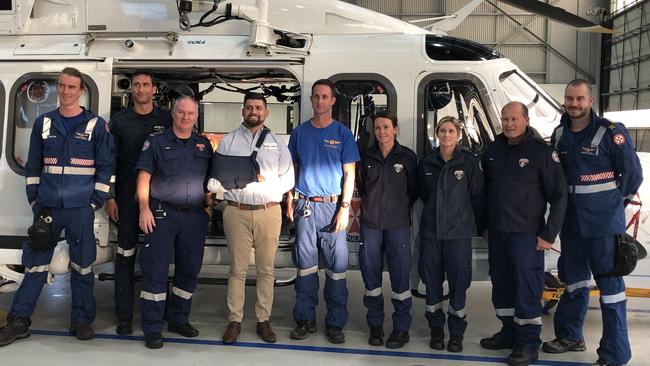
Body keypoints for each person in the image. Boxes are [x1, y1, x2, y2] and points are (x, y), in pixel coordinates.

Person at [0, 67, 114, 346]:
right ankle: (19, 321)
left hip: (80, 209)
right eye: (62, 86)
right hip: (48, 208)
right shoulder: (44, 123)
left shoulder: (96, 126)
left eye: (72, 87)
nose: (66, 91)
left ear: (81, 91)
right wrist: (35, 201)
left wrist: (93, 203)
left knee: (83, 265)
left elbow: (107, 169)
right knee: (35, 265)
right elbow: (33, 166)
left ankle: (82, 320)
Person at [543, 80, 642, 366]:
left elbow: (632, 176)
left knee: (610, 289)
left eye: (580, 99)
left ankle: (615, 353)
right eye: (569, 99)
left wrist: (613, 205)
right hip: (571, 224)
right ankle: (571, 335)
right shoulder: (559, 134)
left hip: (602, 225)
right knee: (573, 282)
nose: (574, 104)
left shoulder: (611, 133)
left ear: (590, 101)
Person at [480, 101, 567, 366]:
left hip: (527, 236)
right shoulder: (492, 151)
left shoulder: (542, 153)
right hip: (497, 234)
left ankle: (528, 343)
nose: (509, 124)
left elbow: (560, 196)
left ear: (526, 120)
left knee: (527, 289)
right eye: (505, 119)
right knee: (502, 286)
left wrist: (549, 234)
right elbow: (483, 193)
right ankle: (508, 332)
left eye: (514, 119)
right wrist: (484, 226)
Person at [208, 92, 294, 344]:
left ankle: (262, 320)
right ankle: (234, 320)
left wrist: (265, 185)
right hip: (237, 212)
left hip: (269, 212)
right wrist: (245, 180)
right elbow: (217, 180)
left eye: (258, 107)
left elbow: (288, 179)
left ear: (266, 113)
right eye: (249, 107)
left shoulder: (277, 144)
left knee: (266, 270)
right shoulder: (228, 142)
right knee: (237, 270)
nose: (253, 111)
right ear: (242, 111)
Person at [135, 96, 213, 349]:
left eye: (191, 113)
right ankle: (153, 327)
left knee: (189, 270)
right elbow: (143, 178)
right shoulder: (156, 143)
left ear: (196, 116)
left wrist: (209, 207)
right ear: (173, 113)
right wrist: (144, 209)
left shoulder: (203, 145)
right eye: (181, 112)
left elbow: (210, 180)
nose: (186, 117)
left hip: (194, 217)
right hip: (161, 215)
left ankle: (179, 318)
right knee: (155, 271)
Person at [286, 78, 360, 344]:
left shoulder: (342, 134)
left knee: (336, 268)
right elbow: (293, 167)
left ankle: (335, 323)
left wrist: (344, 208)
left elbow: (349, 172)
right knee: (305, 267)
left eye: (324, 97)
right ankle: (305, 320)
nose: (319, 101)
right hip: (305, 205)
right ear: (312, 100)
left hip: (332, 207)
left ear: (332, 101)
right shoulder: (300, 133)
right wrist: (290, 198)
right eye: (316, 96)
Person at [106, 70, 172, 335]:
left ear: (154, 89)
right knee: (125, 255)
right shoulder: (119, 121)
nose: (142, 89)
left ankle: (160, 310)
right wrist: (110, 196)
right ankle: (124, 316)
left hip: (159, 197)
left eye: (146, 84)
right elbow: (109, 160)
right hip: (126, 198)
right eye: (137, 85)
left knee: (159, 256)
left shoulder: (167, 119)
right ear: (131, 89)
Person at [417, 116, 483, 353]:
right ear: (437, 133)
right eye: (442, 130)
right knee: (432, 284)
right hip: (431, 235)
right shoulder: (425, 163)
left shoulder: (469, 163)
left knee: (458, 285)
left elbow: (477, 197)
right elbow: (424, 196)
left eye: (451, 131)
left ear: (459, 135)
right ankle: (436, 330)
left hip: (458, 236)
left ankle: (456, 334)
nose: (446, 135)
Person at [357, 111, 417, 349]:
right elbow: (362, 187)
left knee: (400, 279)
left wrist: (397, 208)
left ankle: (401, 329)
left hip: (398, 226)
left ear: (396, 129)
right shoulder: (366, 157)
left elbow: (414, 191)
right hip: (371, 226)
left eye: (386, 127)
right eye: (378, 128)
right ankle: (376, 326)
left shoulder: (409, 158)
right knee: (371, 279)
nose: (381, 132)